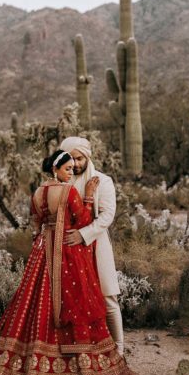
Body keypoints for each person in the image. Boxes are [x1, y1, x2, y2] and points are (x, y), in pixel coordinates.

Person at [0, 150, 137, 375]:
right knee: (74, 301)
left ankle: (22, 363)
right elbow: (82, 220)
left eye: (73, 168)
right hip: (66, 252)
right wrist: (90, 196)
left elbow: (36, 224)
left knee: (36, 301)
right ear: (56, 169)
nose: (72, 172)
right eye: (68, 168)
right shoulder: (69, 191)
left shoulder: (38, 192)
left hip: (42, 252)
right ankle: (76, 365)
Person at [59, 137, 125, 355]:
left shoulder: (102, 181)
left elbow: (107, 215)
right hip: (69, 249)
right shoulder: (63, 180)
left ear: (87, 157)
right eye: (72, 159)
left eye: (79, 158)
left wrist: (83, 234)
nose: (76, 164)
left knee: (108, 296)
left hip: (96, 244)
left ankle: (120, 349)